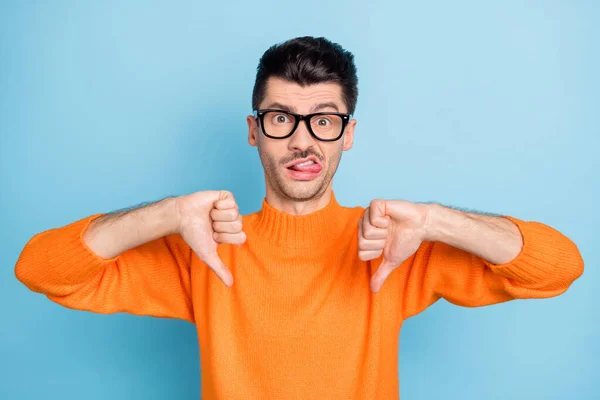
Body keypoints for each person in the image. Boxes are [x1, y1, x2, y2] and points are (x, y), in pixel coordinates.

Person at [14, 36, 584, 400]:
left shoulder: (393, 243)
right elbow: (40, 270)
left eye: (325, 120)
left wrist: (438, 221)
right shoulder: (206, 245)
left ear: (349, 134)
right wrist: (165, 214)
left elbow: (559, 268)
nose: (304, 142)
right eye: (282, 118)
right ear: (254, 130)